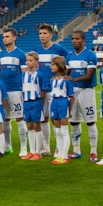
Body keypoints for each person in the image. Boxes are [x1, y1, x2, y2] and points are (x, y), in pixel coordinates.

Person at [35, 24, 68, 155]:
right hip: (42, 90)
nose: (42, 36)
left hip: (55, 91)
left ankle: (59, 147)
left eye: (44, 33)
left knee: (56, 120)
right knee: (43, 119)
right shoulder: (37, 50)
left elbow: (67, 65)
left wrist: (63, 78)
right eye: (40, 33)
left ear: (51, 35)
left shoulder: (59, 49)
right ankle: (46, 147)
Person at [66, 30, 99, 162]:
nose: (74, 41)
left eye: (77, 39)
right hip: (73, 92)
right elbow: (67, 73)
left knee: (90, 121)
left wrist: (74, 79)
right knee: (74, 121)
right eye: (73, 38)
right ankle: (76, 150)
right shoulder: (69, 56)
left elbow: (89, 75)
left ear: (83, 40)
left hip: (86, 91)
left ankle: (93, 152)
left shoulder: (90, 55)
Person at [0, 29, 28, 156]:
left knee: (20, 119)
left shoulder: (20, 54)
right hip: (3, 91)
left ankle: (23, 147)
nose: (4, 39)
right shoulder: (0, 55)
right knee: (5, 120)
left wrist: (23, 90)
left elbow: (24, 74)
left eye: (7, 36)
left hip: (16, 90)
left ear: (14, 37)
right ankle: (8, 146)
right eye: (3, 37)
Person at [22, 52, 49, 160]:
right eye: (27, 60)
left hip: (36, 102)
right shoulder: (23, 75)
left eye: (30, 60)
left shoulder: (40, 75)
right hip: (26, 103)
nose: (28, 62)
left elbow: (43, 90)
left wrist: (41, 103)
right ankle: (31, 151)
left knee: (37, 126)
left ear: (36, 62)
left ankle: (38, 152)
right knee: (29, 126)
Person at [49, 56, 74, 165]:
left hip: (63, 103)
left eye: (53, 65)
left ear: (59, 66)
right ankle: (59, 154)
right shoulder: (52, 80)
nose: (51, 66)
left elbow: (72, 96)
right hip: (54, 102)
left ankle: (64, 155)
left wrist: (70, 111)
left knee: (64, 131)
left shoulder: (66, 80)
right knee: (57, 131)